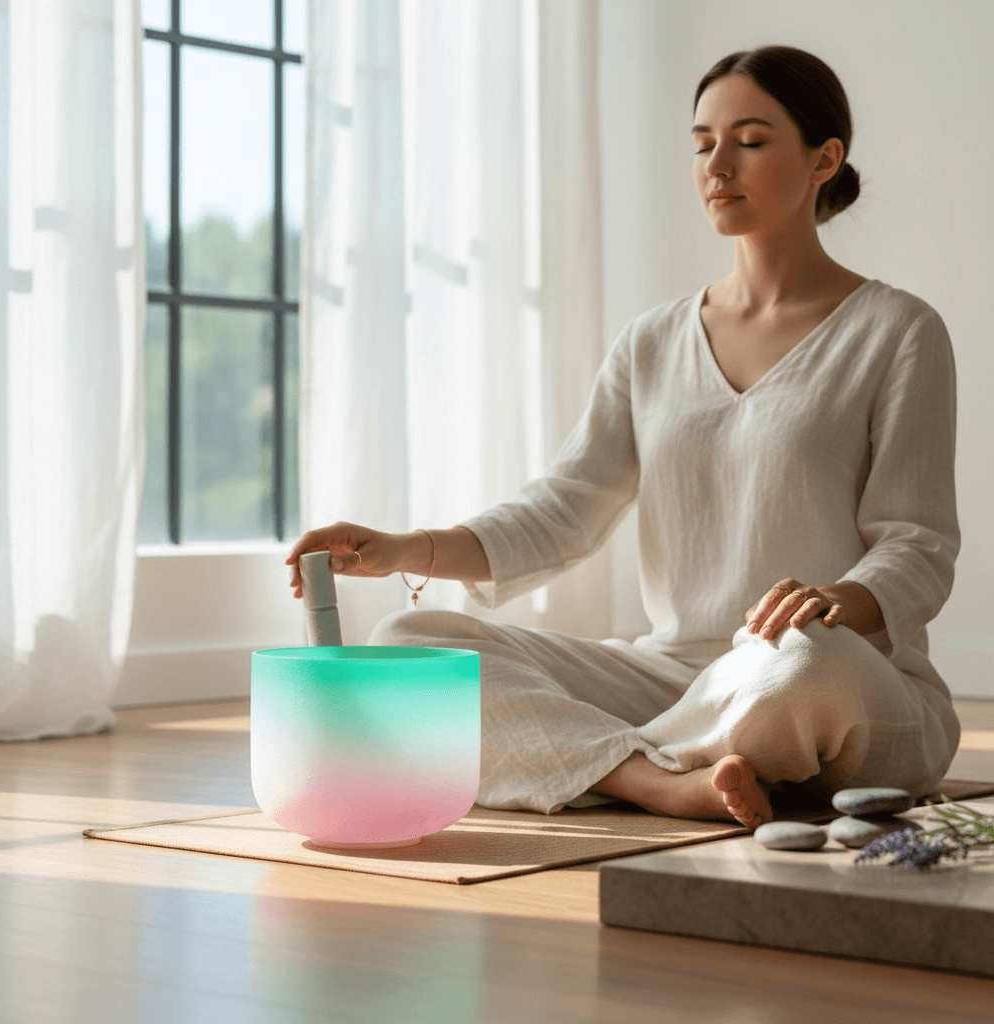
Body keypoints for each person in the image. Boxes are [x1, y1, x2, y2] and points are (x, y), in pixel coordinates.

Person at [284, 44, 960, 829]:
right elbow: (564, 509)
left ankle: (599, 756)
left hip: (831, 677)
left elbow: (918, 543)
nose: (717, 165)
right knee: (408, 640)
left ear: (824, 158)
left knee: (797, 669)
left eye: (750, 140)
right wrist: (405, 549)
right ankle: (665, 783)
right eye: (703, 143)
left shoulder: (898, 330)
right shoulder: (653, 341)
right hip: (673, 676)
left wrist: (838, 600)